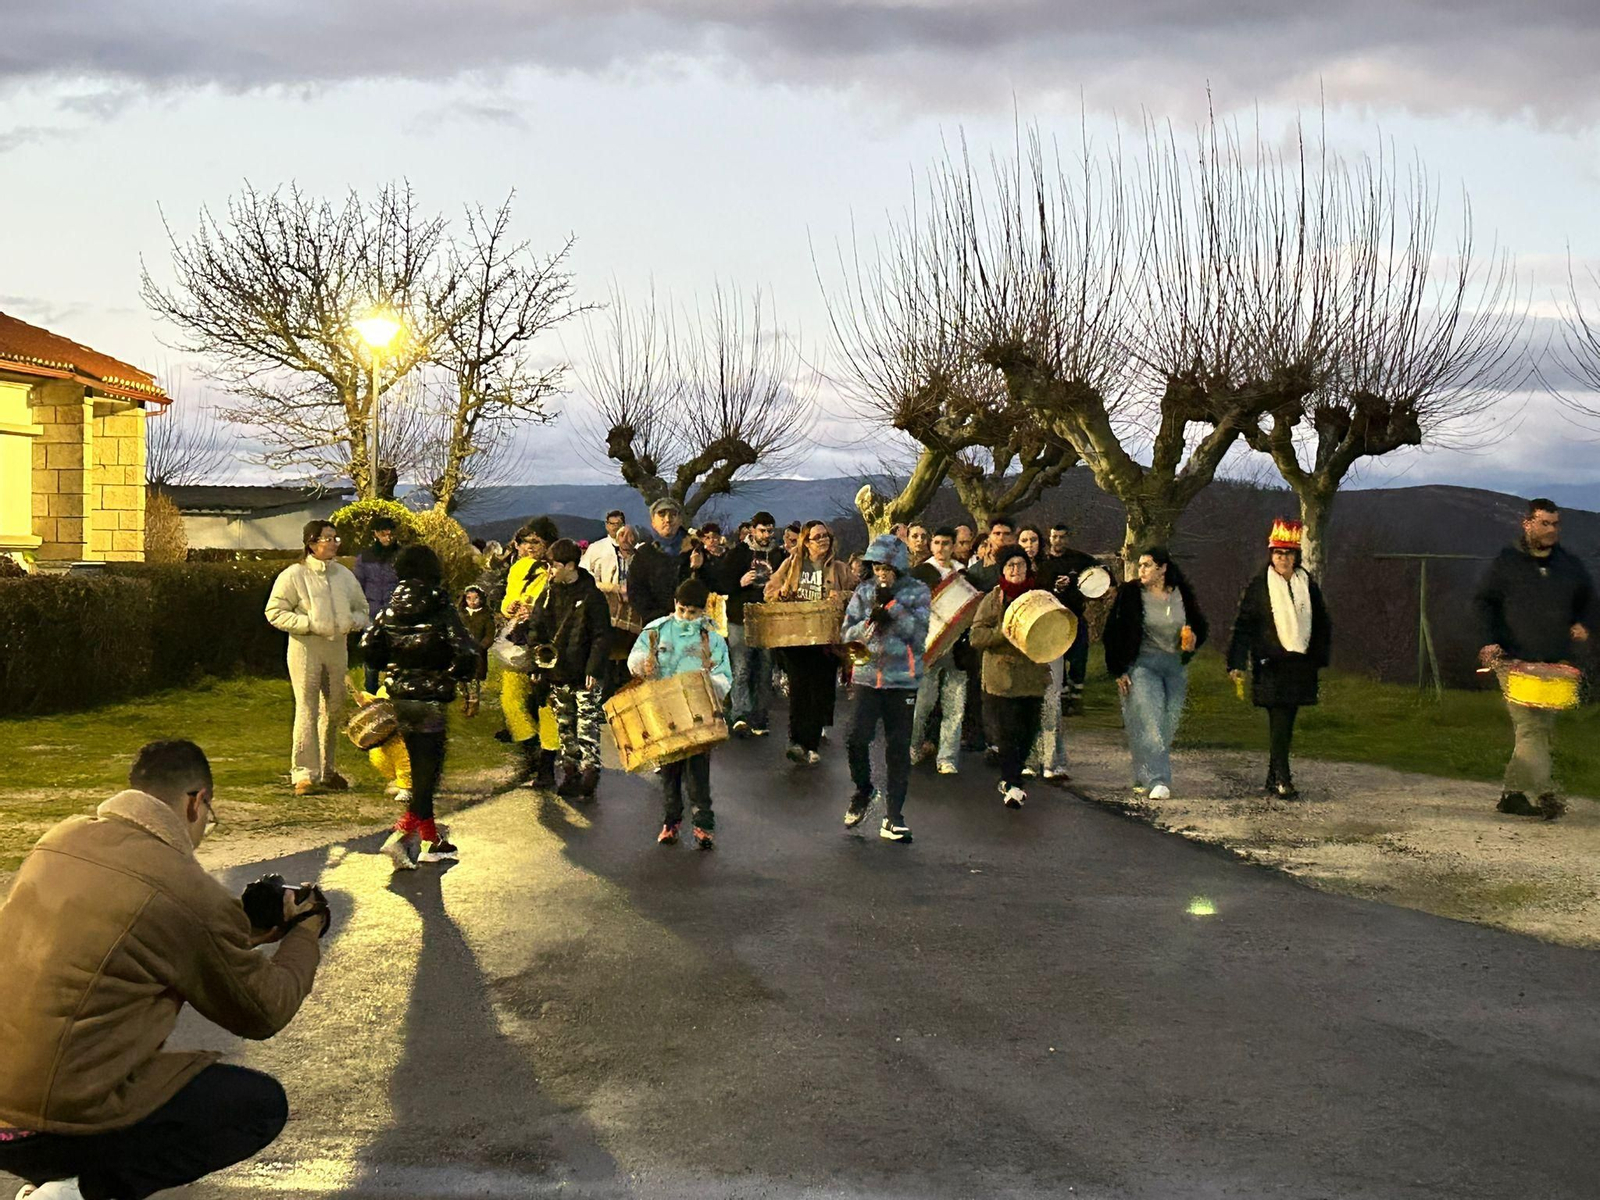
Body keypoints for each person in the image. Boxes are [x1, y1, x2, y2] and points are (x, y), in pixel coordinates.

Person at [0, 741, 326, 1200]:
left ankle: (62, 1183)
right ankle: (80, 1191)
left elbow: (125, 938)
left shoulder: (59, 840)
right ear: (196, 802)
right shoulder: (184, 887)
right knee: (257, 1106)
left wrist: (242, 935)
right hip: (53, 1121)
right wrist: (306, 931)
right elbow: (264, 1011)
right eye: (209, 816)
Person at [1473, 498, 1595, 819]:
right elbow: (1484, 602)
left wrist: (1584, 623)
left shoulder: (1568, 565)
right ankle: (1539, 794)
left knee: (1541, 728)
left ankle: (1515, 794)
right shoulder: (1508, 562)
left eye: (1555, 524)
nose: (1551, 530)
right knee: (1531, 726)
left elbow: (1589, 601)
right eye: (1544, 523)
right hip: (1513, 660)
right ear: (1527, 523)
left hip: (1554, 663)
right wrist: (1488, 640)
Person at [362, 546, 480, 869]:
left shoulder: (390, 608)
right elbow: (466, 651)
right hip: (431, 700)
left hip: (400, 699)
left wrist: (393, 667)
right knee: (429, 771)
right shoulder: (440, 607)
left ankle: (431, 839)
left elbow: (369, 647)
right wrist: (451, 676)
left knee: (418, 768)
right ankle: (402, 834)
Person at [1226, 520, 1333, 799]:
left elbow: (1322, 623)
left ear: (1296, 556)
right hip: (1270, 663)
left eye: (1287, 554)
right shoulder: (1260, 586)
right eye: (1278, 553)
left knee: (1286, 721)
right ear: (1271, 555)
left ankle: (1273, 777)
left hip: (1300, 664)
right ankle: (1283, 778)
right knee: (1280, 718)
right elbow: (1244, 625)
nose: (1283, 559)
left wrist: (1319, 658)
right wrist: (1236, 662)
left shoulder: (1307, 584)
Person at [265, 520, 369, 797]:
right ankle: (304, 773)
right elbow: (274, 611)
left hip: (337, 648)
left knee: (334, 709)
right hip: (306, 648)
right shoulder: (294, 575)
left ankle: (327, 770)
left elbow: (362, 608)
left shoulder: (344, 575)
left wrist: (351, 622)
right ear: (311, 543)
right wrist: (308, 624)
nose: (334, 543)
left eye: (336, 538)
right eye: (327, 538)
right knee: (307, 708)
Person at [629, 578, 733, 850]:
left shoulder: (712, 637)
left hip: (698, 711)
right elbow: (635, 658)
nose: (686, 616)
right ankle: (671, 821)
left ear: (703, 611)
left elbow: (724, 675)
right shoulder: (656, 630)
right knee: (669, 772)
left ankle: (703, 824)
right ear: (675, 604)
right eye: (682, 609)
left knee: (698, 773)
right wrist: (643, 665)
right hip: (664, 711)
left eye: (693, 612)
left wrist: (712, 682)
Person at [841, 535, 931, 841]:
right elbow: (847, 633)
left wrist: (892, 607)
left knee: (898, 748)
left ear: (899, 567)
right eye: (877, 567)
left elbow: (917, 634)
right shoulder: (863, 592)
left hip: (902, 680)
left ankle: (894, 817)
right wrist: (869, 618)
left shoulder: (917, 591)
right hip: (867, 678)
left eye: (887, 568)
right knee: (856, 738)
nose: (881, 573)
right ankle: (863, 790)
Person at [1103, 546, 1208, 800]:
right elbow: (1112, 632)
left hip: (1174, 666)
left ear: (1163, 569)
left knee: (1167, 725)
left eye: (1147, 565)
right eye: (1140, 565)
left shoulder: (1181, 593)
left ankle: (1143, 775)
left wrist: (1194, 639)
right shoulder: (1131, 593)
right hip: (1142, 664)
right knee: (1149, 721)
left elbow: (1200, 625)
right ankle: (1158, 780)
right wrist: (1118, 670)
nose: (1141, 570)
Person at [526, 538, 612, 802]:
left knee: (587, 725)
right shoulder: (549, 593)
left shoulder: (592, 596)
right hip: (557, 671)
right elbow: (535, 628)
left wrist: (594, 668)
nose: (550, 571)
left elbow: (601, 635)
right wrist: (536, 664)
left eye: (554, 566)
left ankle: (589, 774)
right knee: (565, 726)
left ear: (570, 565)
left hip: (584, 673)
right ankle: (570, 772)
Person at [967, 545, 1050, 809]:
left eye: (1020, 565)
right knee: (1008, 733)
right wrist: (1003, 633)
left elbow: (1054, 629)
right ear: (1002, 570)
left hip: (1032, 676)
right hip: (1001, 678)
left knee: (1028, 732)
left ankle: (1012, 777)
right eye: (1010, 565)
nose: (1016, 570)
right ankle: (1013, 784)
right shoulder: (993, 599)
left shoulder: (1039, 596)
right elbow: (976, 636)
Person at [765, 519, 853, 764]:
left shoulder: (840, 568)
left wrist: (841, 596)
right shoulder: (791, 565)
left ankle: (811, 743)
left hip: (826, 639)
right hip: (796, 636)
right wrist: (781, 594)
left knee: (820, 690)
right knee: (799, 689)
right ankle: (796, 742)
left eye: (826, 536)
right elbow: (770, 591)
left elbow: (858, 596)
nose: (823, 540)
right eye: (817, 537)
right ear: (806, 542)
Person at [500, 518, 562, 787]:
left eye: (535, 542)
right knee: (510, 700)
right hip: (519, 641)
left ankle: (547, 764)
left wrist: (535, 612)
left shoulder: (556, 568)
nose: (529, 547)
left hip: (547, 641)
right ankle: (530, 751)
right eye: (524, 542)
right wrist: (509, 607)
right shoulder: (518, 568)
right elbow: (507, 599)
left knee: (546, 705)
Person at [714, 510, 782, 737]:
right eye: (762, 531)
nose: (766, 535)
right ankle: (740, 715)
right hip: (740, 617)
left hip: (767, 619)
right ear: (753, 530)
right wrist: (739, 582)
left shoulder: (777, 555)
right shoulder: (738, 553)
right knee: (741, 668)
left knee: (764, 669)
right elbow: (721, 583)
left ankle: (759, 716)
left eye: (770, 531)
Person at [910, 526, 968, 774]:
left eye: (946, 543)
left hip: (956, 650)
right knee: (922, 705)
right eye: (937, 542)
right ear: (931, 545)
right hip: (928, 646)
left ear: (953, 546)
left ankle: (947, 757)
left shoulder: (963, 574)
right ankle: (913, 746)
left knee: (955, 707)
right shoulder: (921, 572)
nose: (941, 548)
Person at [1037, 523, 1099, 714]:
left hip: (1076, 615)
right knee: (1058, 657)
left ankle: (1077, 694)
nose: (1058, 541)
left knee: (1079, 657)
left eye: (1062, 537)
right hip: (1053, 618)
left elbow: (1100, 572)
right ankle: (1063, 697)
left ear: (1068, 538)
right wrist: (1055, 587)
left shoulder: (1079, 559)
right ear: (1049, 538)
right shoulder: (1044, 563)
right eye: (1055, 537)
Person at [353, 516, 402, 693]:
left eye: (390, 534)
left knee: (396, 657)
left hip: (396, 613)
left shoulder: (401, 556)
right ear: (375, 534)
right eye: (383, 534)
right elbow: (357, 586)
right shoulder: (364, 558)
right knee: (371, 656)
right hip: (372, 613)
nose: (388, 538)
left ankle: (395, 694)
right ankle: (370, 693)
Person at [628, 498, 691, 626]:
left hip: (692, 623)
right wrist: (659, 617)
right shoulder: (644, 554)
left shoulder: (694, 550)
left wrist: (697, 568)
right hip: (657, 625)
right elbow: (636, 591)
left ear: (680, 520)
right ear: (653, 522)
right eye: (661, 515)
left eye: (673, 515)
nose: (667, 520)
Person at [457, 585, 495, 717]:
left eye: (475, 598)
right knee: (461, 678)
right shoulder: (461, 614)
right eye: (469, 598)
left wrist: (480, 647)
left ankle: (473, 703)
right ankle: (465, 698)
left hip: (477, 654)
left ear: (481, 599)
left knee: (473, 679)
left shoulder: (486, 616)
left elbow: (489, 636)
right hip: (461, 652)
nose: (472, 601)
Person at [965, 516, 1016, 592]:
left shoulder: (1022, 563)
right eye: (997, 534)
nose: (1001, 538)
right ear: (990, 537)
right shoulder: (976, 571)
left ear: (1013, 538)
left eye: (1006, 534)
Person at [579, 509, 629, 583]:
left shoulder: (633, 548)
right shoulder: (596, 547)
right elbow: (583, 569)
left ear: (623, 526)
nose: (615, 527)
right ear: (607, 526)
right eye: (611, 524)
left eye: (617, 524)